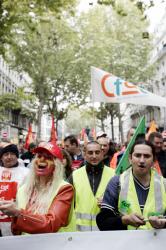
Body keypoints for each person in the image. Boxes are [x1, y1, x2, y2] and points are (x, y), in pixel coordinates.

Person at [0, 141, 75, 235]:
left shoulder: (64, 189)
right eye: (39, 156)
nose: (42, 160)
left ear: (56, 165)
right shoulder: (23, 189)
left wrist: (18, 213)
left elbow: (51, 224)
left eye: (48, 157)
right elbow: (16, 228)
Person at [96, 140, 166, 230]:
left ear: (153, 161)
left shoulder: (164, 184)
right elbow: (103, 222)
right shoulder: (117, 182)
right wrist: (124, 220)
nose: (141, 160)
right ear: (130, 158)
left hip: (157, 243)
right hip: (126, 243)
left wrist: (163, 224)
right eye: (137, 155)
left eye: (147, 156)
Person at [68, 141, 114, 231]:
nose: (94, 156)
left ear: (102, 154)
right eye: (90, 153)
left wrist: (109, 203)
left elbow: (121, 205)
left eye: (97, 152)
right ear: (84, 154)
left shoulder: (113, 175)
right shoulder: (74, 175)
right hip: (80, 235)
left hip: (105, 233)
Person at [0, 143, 29, 236]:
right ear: (1, 157)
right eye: (5, 154)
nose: (9, 157)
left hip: (17, 219)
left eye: (12, 154)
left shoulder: (26, 173)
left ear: (17, 156)